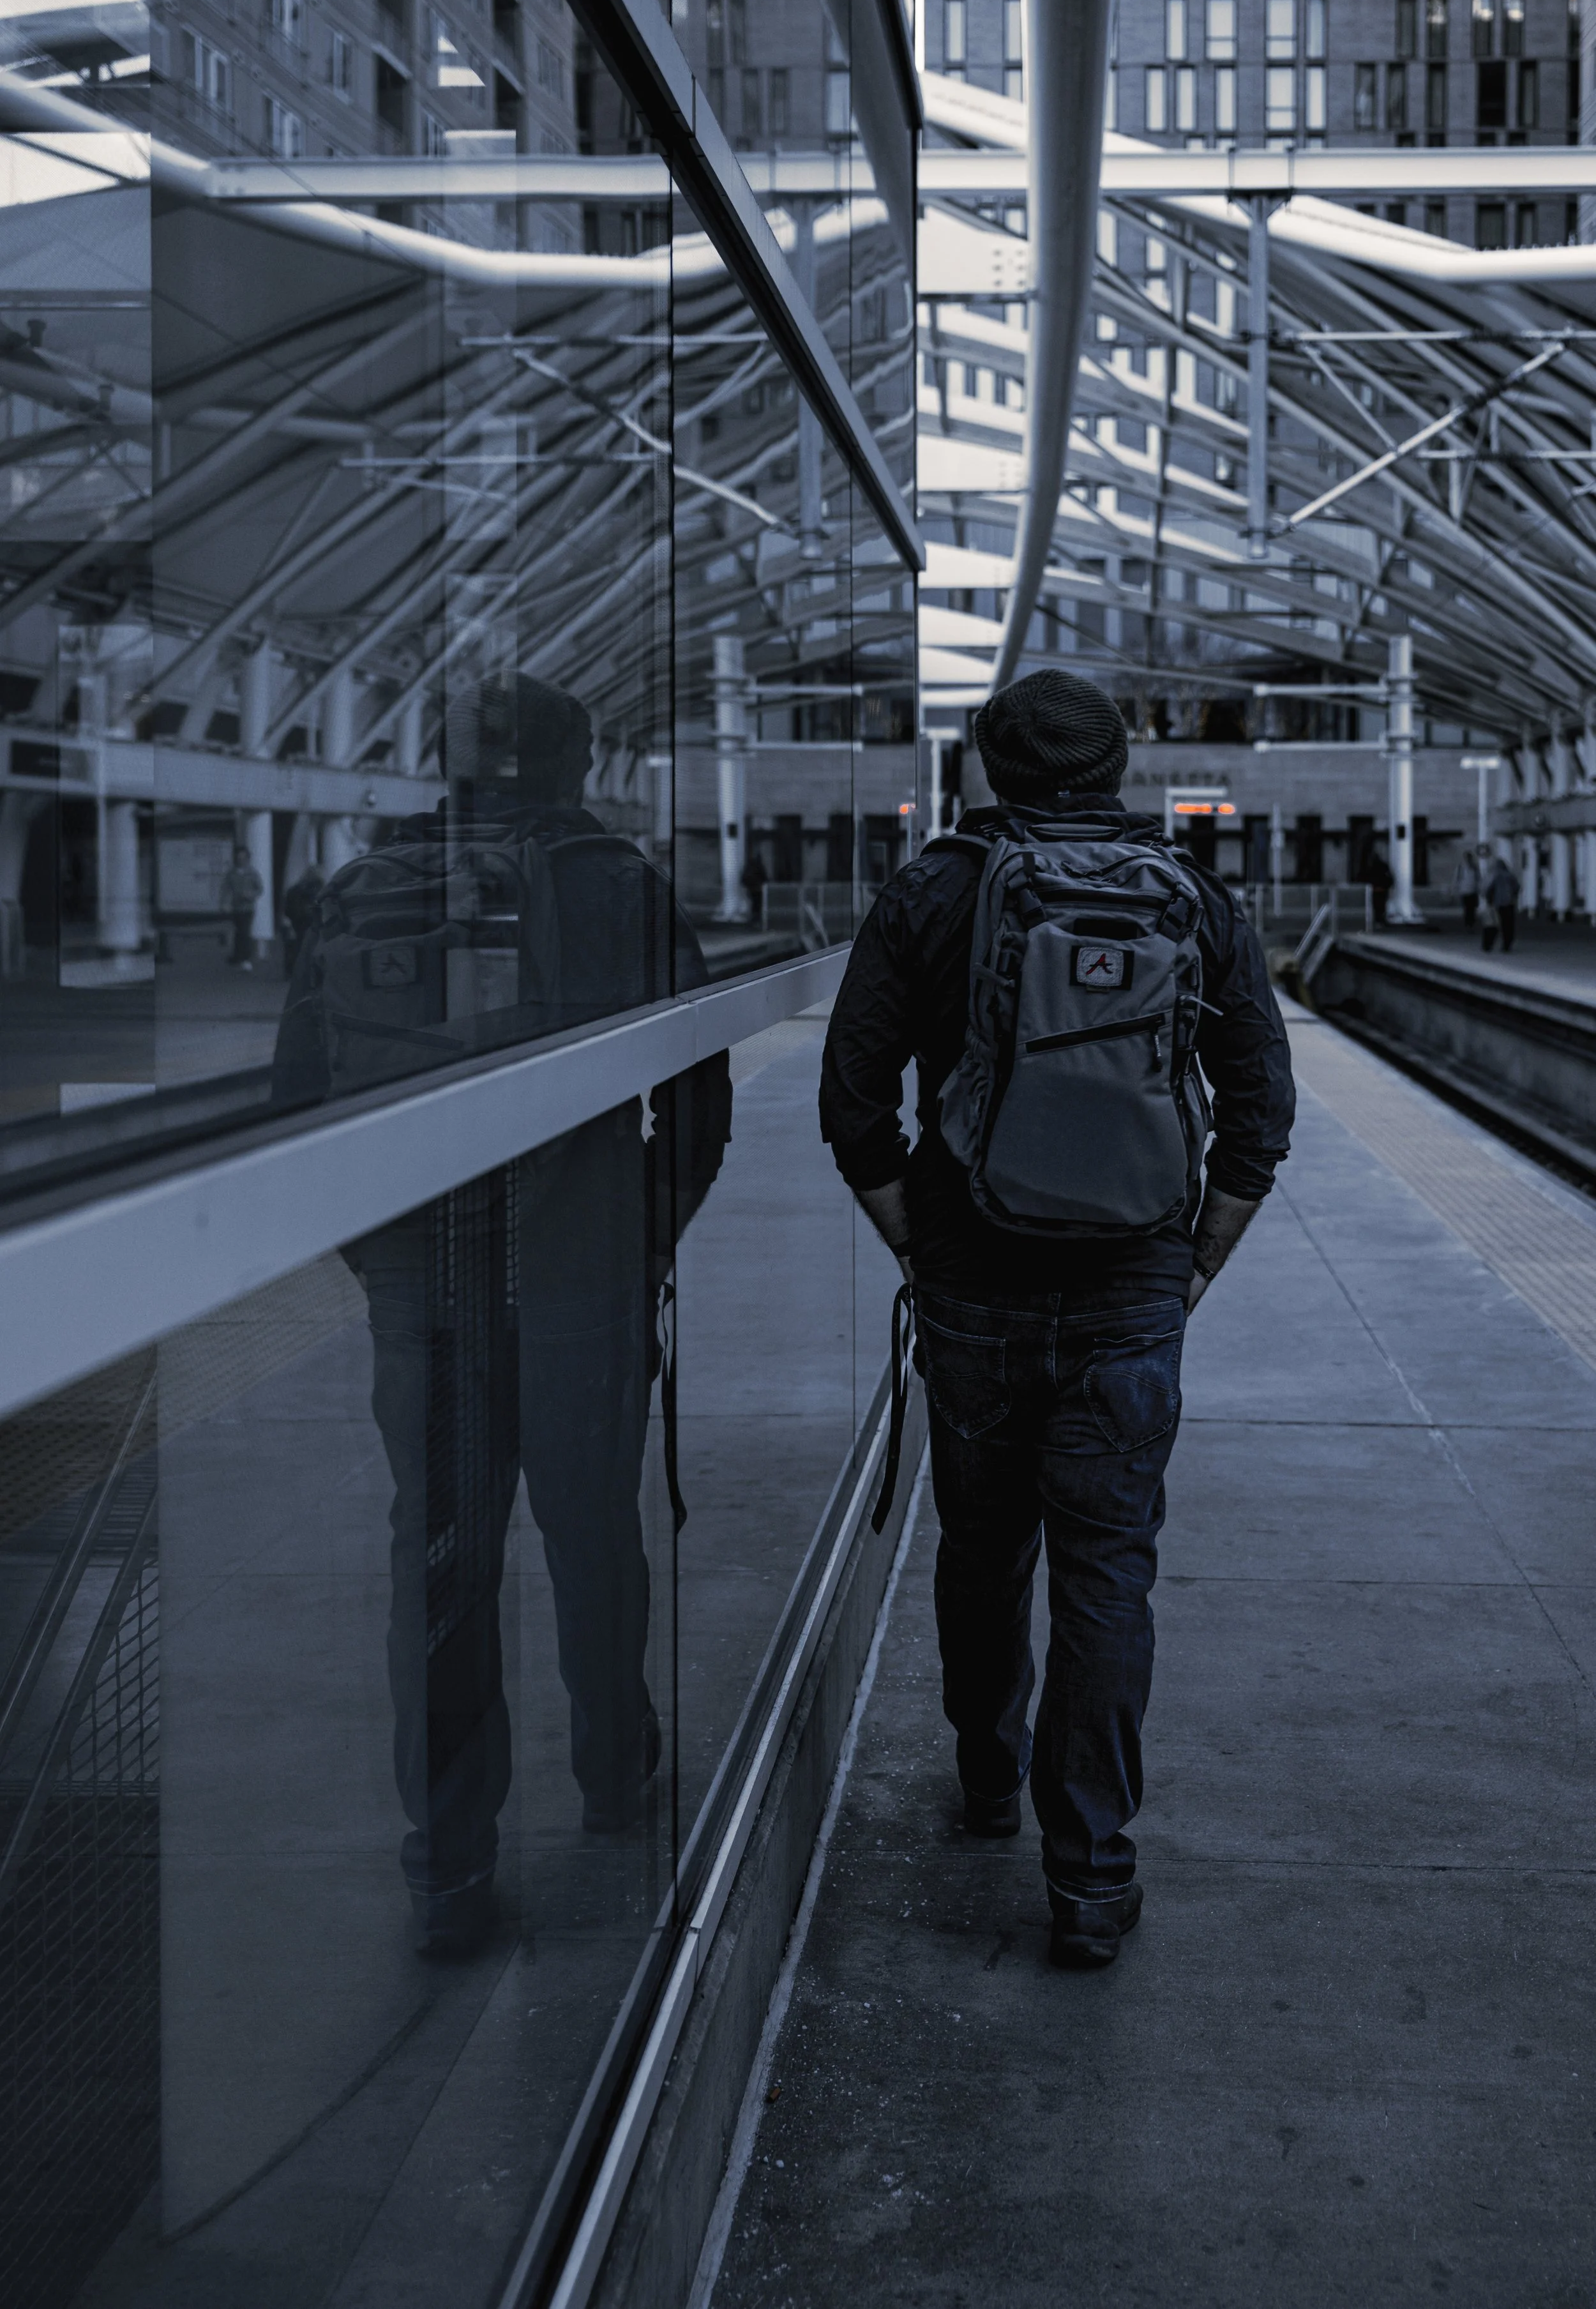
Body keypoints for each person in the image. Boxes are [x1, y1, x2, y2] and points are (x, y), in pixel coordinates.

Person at [818, 670, 1295, 1971]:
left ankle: (985, 1773)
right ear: (1120, 763)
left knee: (981, 1547)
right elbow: (1259, 1113)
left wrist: (919, 1244)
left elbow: (851, 1102)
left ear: (988, 764)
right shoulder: (1193, 896)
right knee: (1107, 1571)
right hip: (1133, 1281)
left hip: (969, 1271)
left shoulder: (932, 888)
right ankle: (1088, 1880)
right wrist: (1188, 1271)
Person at [273, 677, 732, 1957]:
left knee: (437, 1557)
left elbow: (297, 1096)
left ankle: (451, 1865)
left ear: (448, 761)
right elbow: (696, 1099)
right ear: (578, 763)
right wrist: (638, 1237)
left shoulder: (363, 886)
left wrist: (388, 1265)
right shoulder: (614, 885)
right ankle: (608, 1778)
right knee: (591, 1539)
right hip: (576, 1269)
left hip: (427, 1284)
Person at [221, 844, 263, 971]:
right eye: (239, 858)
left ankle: (246, 958)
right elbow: (226, 889)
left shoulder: (252, 873)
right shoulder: (232, 873)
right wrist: (225, 903)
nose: (241, 861)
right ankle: (237, 956)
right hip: (236, 907)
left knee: (245, 932)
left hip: (248, 908)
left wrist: (251, 895)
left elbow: (260, 888)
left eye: (243, 858)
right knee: (238, 932)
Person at [1482, 850, 1520, 951]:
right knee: (1509, 925)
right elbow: (1517, 888)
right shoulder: (1510, 876)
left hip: (1498, 904)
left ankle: (1488, 945)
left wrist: (1489, 901)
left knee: (1494, 924)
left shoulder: (1495, 876)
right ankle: (1507, 945)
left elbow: (1489, 889)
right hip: (1510, 903)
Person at [1363, 844, 1394, 928]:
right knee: (1381, 907)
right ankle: (1381, 921)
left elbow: (1368, 877)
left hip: (1376, 890)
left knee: (1377, 907)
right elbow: (1390, 878)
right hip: (1382, 890)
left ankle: (1378, 921)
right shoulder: (1383, 866)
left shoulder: (1371, 868)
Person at [1453, 847, 1480, 931]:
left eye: (1469, 857)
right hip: (1464, 891)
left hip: (1473, 891)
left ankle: (1471, 923)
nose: (1468, 859)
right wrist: (1455, 889)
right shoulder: (1461, 868)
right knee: (1467, 909)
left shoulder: (1475, 868)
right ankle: (1468, 923)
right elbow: (1456, 879)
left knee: (1472, 909)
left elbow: (1479, 879)